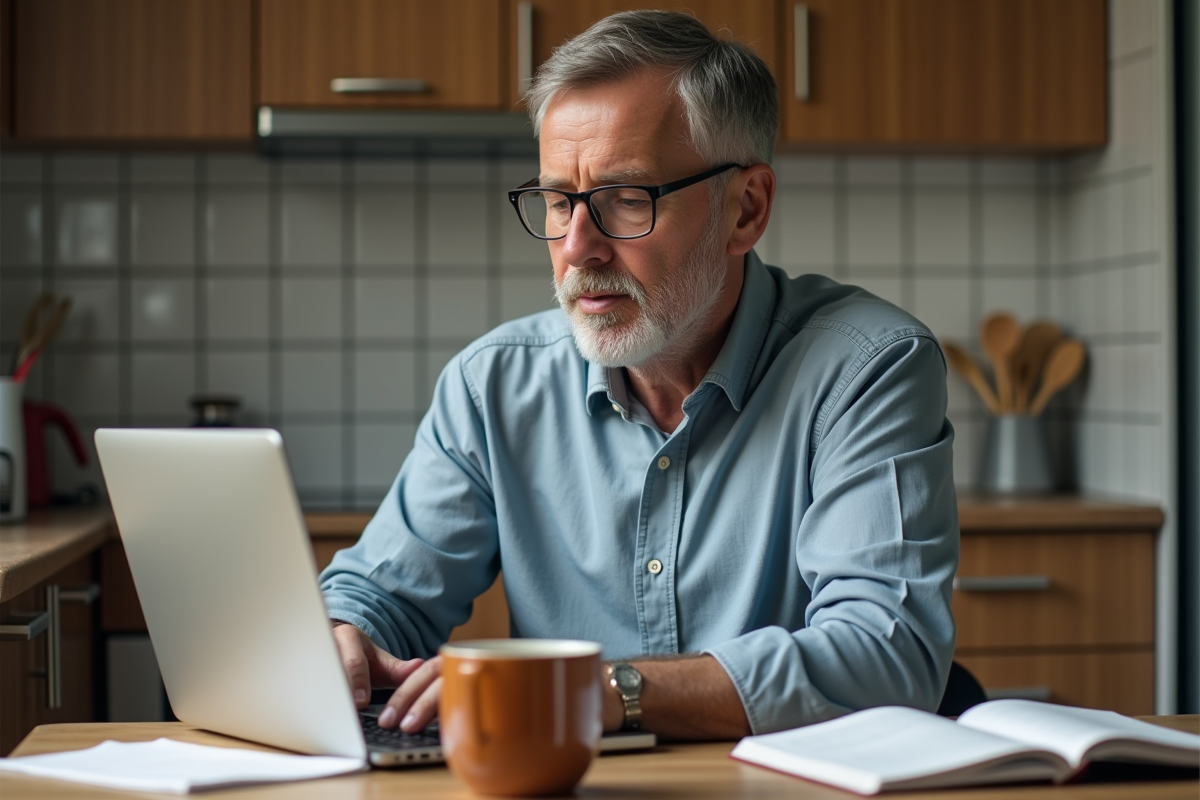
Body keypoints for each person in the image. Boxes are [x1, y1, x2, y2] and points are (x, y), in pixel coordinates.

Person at [320, 9, 958, 740]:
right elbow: (381, 595)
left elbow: (887, 654)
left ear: (745, 211)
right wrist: (346, 633)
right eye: (560, 201)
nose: (578, 248)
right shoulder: (491, 386)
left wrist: (598, 694)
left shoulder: (867, 368)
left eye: (628, 200)